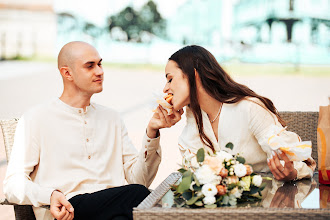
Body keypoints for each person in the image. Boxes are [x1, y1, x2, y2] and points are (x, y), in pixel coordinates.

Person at [3, 41, 183, 220]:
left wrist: (152, 131)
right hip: (67, 211)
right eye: (90, 66)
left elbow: (139, 179)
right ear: (67, 73)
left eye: (100, 64)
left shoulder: (112, 119)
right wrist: (49, 195)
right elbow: (12, 185)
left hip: (114, 210)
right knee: (138, 194)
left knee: (130, 205)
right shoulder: (36, 118)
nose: (100, 71)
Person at [162, 45, 316, 182]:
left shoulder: (248, 109)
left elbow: (300, 161)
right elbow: (195, 174)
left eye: (170, 79)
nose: (165, 89)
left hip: (269, 200)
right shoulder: (194, 123)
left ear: (194, 75)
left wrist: (292, 172)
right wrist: (153, 129)